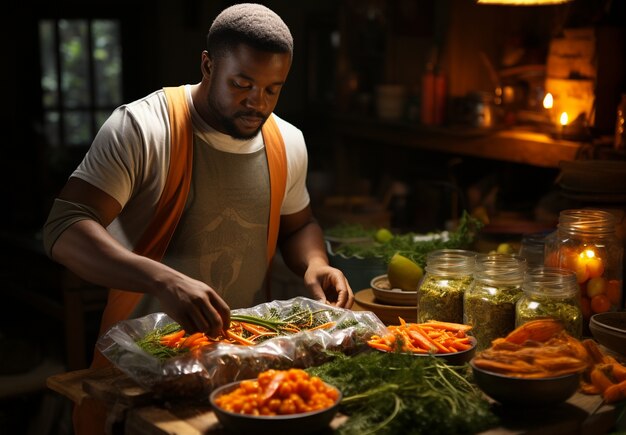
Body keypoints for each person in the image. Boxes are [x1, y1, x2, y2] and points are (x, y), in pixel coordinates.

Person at [42, 3, 353, 433]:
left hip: (241, 376)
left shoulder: (287, 141)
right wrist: (161, 279)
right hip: (139, 380)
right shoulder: (143, 128)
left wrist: (316, 263)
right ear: (207, 64)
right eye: (241, 84)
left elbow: (298, 225)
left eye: (272, 89)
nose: (256, 103)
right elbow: (64, 227)